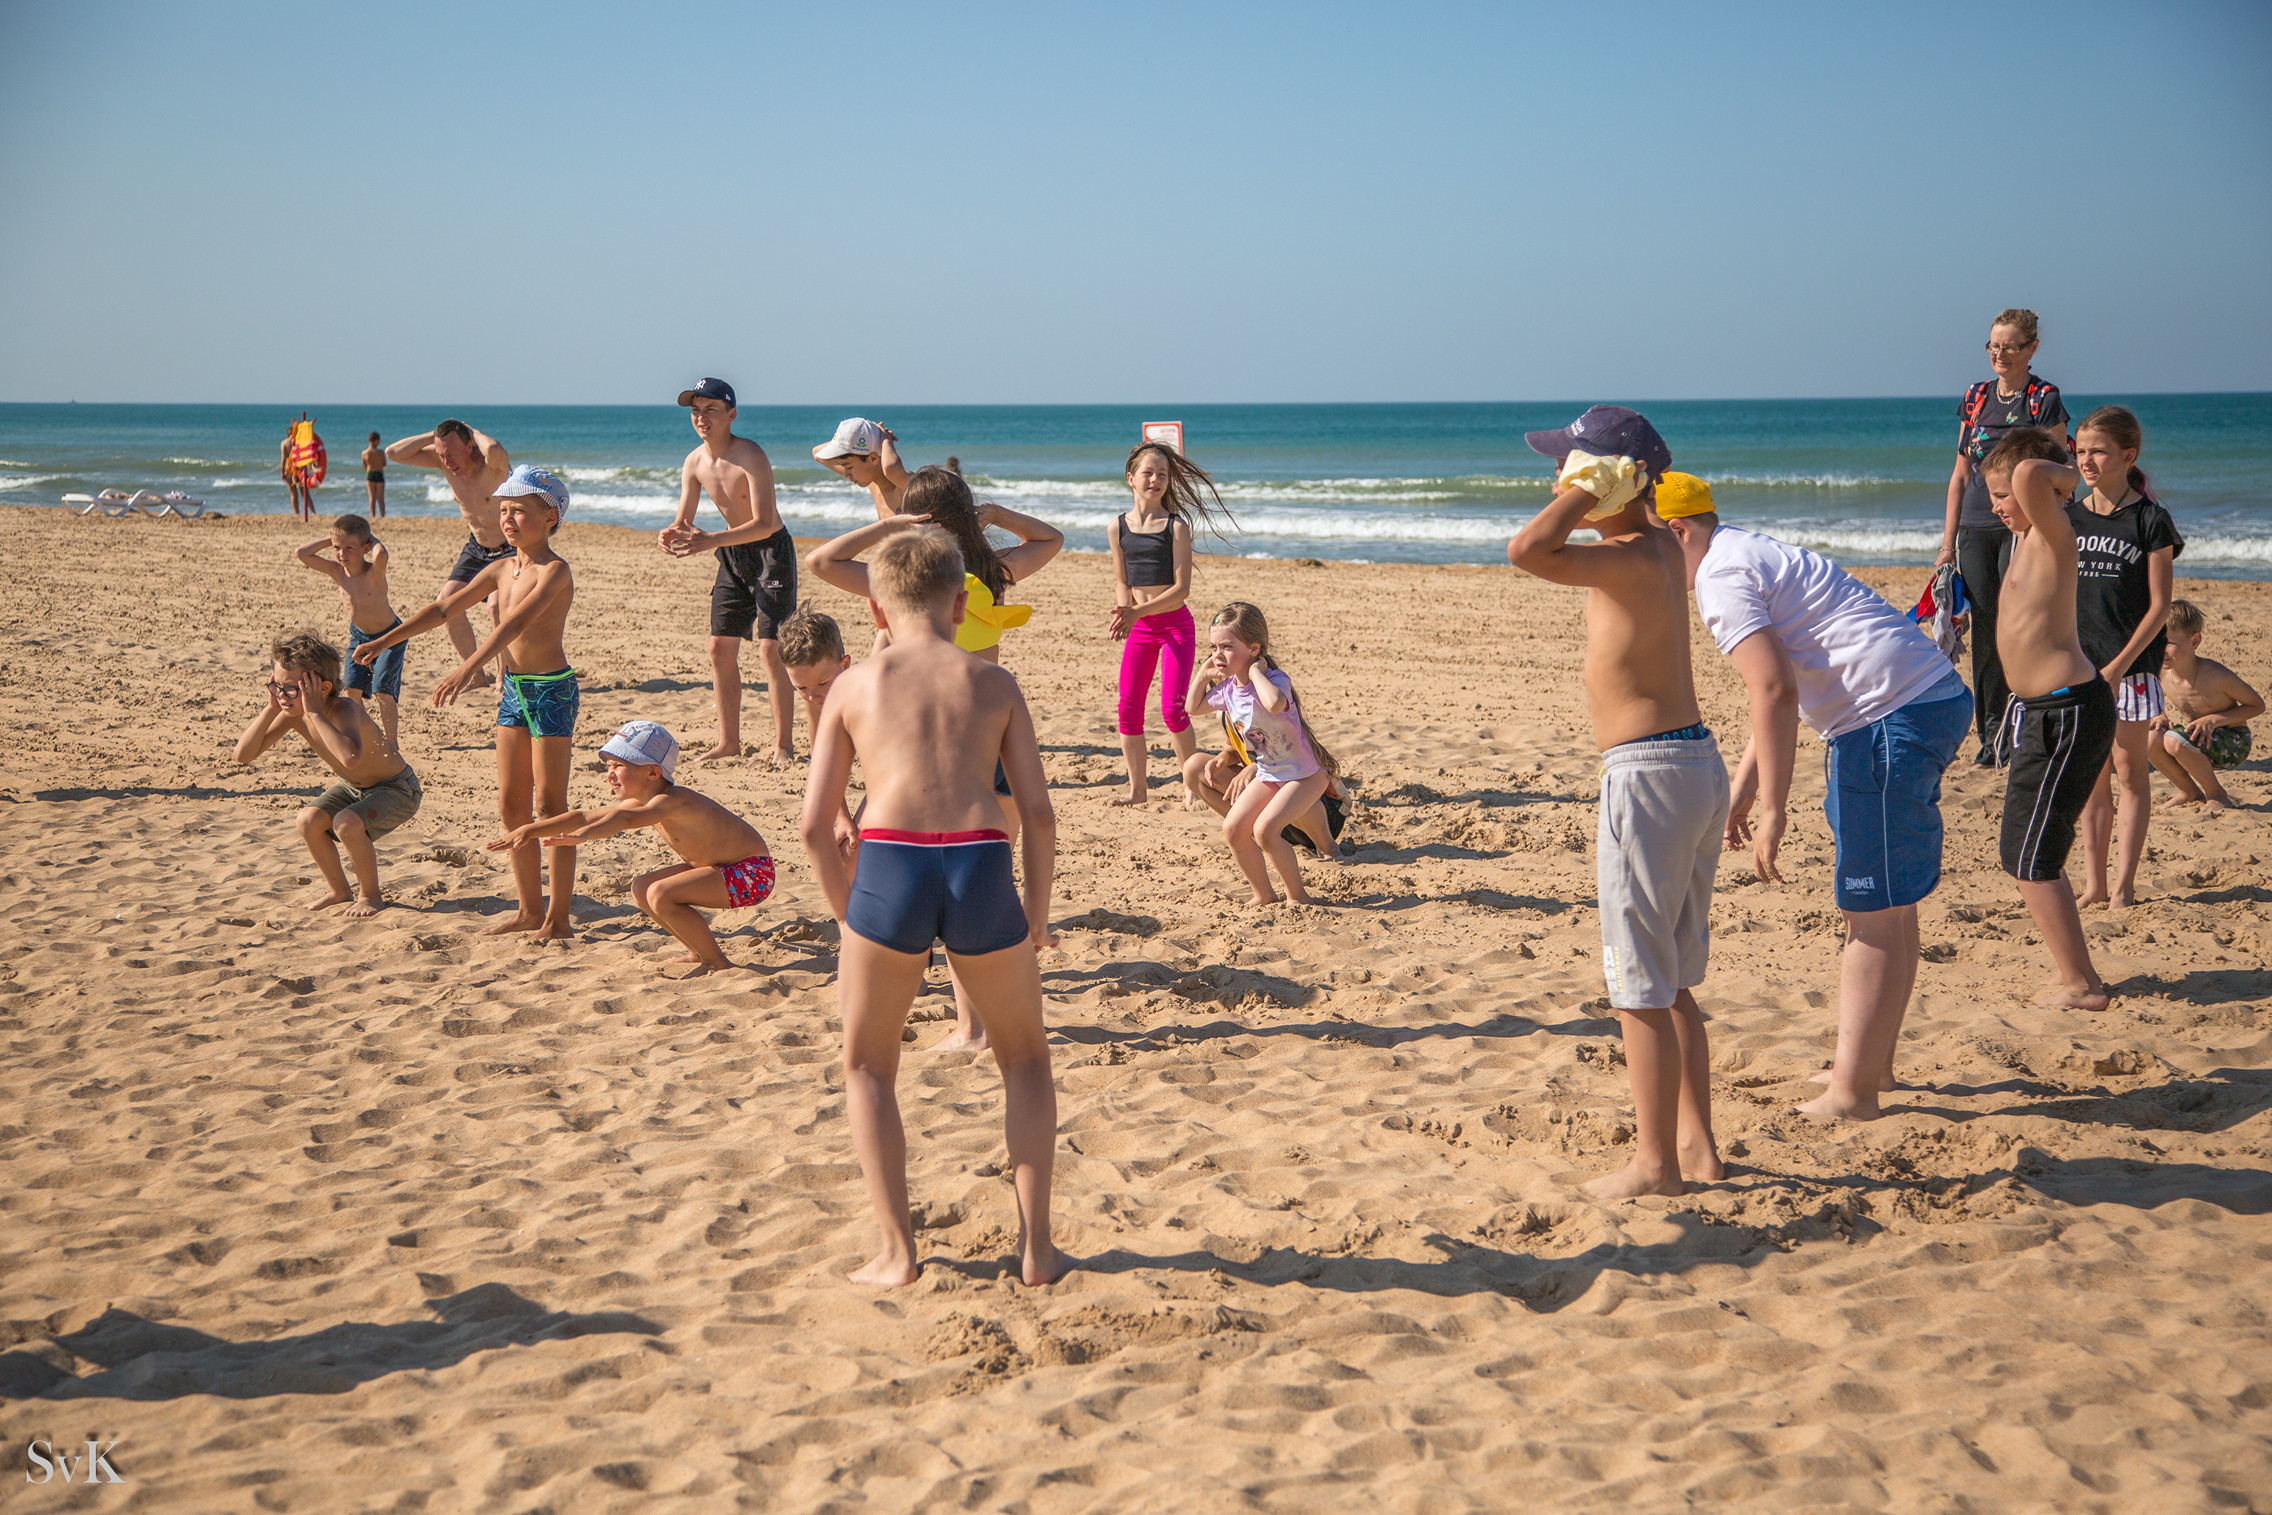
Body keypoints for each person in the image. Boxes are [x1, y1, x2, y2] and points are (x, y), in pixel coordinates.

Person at [797, 524, 1068, 1289]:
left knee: (869, 1066)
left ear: (877, 613)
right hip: (981, 863)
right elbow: (1040, 816)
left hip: (891, 866)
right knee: (1024, 1059)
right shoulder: (994, 683)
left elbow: (816, 824)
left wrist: (849, 914)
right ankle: (1038, 1250)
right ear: (960, 601)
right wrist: (1037, 912)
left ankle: (897, 1252)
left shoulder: (853, 686)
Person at [1657, 474, 1972, 1122]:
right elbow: (1781, 687)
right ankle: (1871, 1063)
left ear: (1678, 532)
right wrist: (1745, 789)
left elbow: (1773, 691)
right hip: (1919, 699)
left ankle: (1853, 1092)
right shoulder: (1743, 549)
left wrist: (1774, 808)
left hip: (1889, 718)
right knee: (1890, 903)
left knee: (1872, 912)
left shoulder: (1719, 576)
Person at [1508, 405, 1725, 1199]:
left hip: (1649, 774)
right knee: (1671, 981)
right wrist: (1603, 486)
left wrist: (1589, 487)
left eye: (1571, 466)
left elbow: (1526, 549)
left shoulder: (1633, 552)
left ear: (1613, 480)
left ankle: (1655, 1164)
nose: (1556, 477)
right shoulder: (1658, 546)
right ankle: (1698, 1147)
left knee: (1637, 981)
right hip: (1694, 761)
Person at [805, 475, 1065, 1051]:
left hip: (911, 737)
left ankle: (907, 970)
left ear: (915, 519)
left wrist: (888, 528)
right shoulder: (986, 576)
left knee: (895, 857)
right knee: (980, 877)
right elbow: (1051, 539)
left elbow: (822, 561)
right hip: (986, 732)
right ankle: (973, 1025)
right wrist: (994, 513)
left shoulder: (903, 585)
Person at [355, 466, 579, 940]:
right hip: (516, 690)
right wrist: (383, 640)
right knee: (510, 803)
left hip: (551, 690)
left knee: (550, 805)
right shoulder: (500, 567)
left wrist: (467, 668)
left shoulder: (555, 570)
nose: (508, 518)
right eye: (503, 510)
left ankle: (557, 918)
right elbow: (443, 609)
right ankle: (527, 909)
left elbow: (515, 623)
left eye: (520, 510)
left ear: (551, 516)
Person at [1981, 428, 2114, 1010]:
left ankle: (2081, 984)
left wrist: (2069, 473)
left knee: (2033, 858)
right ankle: (2073, 975)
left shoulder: (2055, 530)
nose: (1997, 505)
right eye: (1990, 496)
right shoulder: (2026, 541)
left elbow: (2035, 477)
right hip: (2041, 713)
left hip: (2068, 711)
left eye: (2001, 495)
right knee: (2022, 851)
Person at [488, 722, 773, 978]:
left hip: (752, 873)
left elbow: (623, 821)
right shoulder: (643, 801)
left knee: (660, 894)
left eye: (619, 766)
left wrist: (584, 836)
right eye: (608, 766)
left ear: (652, 772)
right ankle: (698, 951)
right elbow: (584, 816)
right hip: (721, 868)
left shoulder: (672, 801)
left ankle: (716, 962)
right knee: (642, 887)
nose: (610, 775)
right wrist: (529, 830)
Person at [1935, 309, 2071, 766]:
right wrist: (1946, 545)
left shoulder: (2043, 398)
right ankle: (1991, 737)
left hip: (2023, 529)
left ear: (2032, 348)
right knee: (1987, 633)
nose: (2000, 352)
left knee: (2022, 627)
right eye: (1993, 344)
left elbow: (2063, 474)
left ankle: (2025, 727)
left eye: (2011, 345)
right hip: (1975, 527)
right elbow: (1958, 476)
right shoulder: (1975, 396)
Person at [2067, 406, 2182, 908]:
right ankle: (2094, 885)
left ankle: (2123, 886)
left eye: (2098, 451)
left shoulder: (2150, 520)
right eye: (2081, 448)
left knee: (2130, 774)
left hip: (2129, 671)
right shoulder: (2067, 515)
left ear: (2127, 456)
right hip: (2077, 668)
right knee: (2091, 782)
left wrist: (2117, 667)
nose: (2086, 459)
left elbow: (2159, 608)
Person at [232, 629, 423, 918]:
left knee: (345, 822)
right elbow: (243, 755)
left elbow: (349, 758)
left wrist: (316, 714)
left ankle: (370, 896)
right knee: (308, 820)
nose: (283, 696)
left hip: (397, 789)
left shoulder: (343, 709)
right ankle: (339, 891)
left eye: (291, 689)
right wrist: (270, 709)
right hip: (355, 787)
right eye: (276, 687)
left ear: (321, 689)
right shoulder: (292, 714)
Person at [657, 378, 795, 765]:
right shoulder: (694, 461)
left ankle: (783, 744)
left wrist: (710, 539)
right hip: (732, 555)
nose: (701, 417)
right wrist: (670, 535)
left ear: (731, 415)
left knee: (771, 650)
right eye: (696, 410)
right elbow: (683, 520)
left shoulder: (750, 454)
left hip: (771, 553)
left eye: (711, 410)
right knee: (720, 648)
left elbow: (765, 522)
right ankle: (728, 742)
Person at [1183, 602, 1340, 905]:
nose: (1218, 655)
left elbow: (1274, 704)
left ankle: (1298, 897)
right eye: (1213, 647)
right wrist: (1203, 674)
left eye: (1227, 647)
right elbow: (1192, 708)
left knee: (1266, 830)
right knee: (1233, 829)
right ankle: (1264, 895)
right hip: (1271, 773)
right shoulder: (1228, 689)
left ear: (1255, 648)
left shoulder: (1275, 679)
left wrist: (1256, 673)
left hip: (1305, 775)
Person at [1109, 442, 1233, 805]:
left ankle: (1191, 786)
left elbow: (1181, 590)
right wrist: (1123, 611)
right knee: (1128, 709)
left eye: (1162, 474)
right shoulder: (1116, 527)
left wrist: (1135, 613)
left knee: (1173, 709)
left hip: (1175, 626)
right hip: (1141, 626)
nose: (1156, 480)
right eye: (1148, 473)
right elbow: (1122, 581)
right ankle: (1137, 790)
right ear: (1131, 478)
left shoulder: (1176, 527)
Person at [386, 419, 513, 687]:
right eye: (441, 455)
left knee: (495, 606)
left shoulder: (492, 464)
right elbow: (393, 453)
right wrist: (433, 437)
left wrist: (473, 430)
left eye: (452, 454)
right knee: (447, 602)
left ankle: (505, 674)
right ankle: (476, 676)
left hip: (509, 549)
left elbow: (494, 449)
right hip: (477, 548)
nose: (446, 462)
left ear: (470, 445)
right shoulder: (443, 462)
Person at [295, 513, 406, 752]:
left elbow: (382, 554)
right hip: (358, 636)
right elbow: (302, 554)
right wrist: (332, 539)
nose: (341, 554)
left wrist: (370, 538)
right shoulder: (336, 571)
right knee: (351, 691)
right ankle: (366, 736)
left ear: (366, 547)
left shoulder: (373, 572)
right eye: (337, 548)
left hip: (389, 636)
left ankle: (392, 743)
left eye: (349, 548)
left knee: (382, 692)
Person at [2151, 599, 2262, 811]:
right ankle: (2189, 792)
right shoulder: (2162, 671)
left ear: (2195, 641)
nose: (2161, 650)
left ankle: (2216, 794)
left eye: (2169, 643)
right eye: (2157, 642)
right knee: (2150, 739)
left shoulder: (2215, 675)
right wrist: (2160, 714)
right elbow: (2151, 690)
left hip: (2232, 741)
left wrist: (2213, 720)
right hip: (2193, 738)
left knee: (2174, 741)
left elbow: (2257, 705)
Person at [778, 604, 860, 860]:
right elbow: (823, 760)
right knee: (847, 852)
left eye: (823, 683)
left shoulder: (866, 694)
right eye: (800, 687)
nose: (813, 695)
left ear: (845, 664)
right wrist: (843, 817)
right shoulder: (816, 700)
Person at [814, 417, 910, 519]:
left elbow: (890, 468)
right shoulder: (872, 481)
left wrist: (885, 439)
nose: (846, 475)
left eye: (849, 467)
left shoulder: (905, 486)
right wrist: (872, 436)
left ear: (873, 459)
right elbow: (817, 453)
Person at [360, 431, 386, 518]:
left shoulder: (364, 453)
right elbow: (384, 463)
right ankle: (382, 516)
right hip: (379, 473)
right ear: (375, 441)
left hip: (370, 473)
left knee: (372, 497)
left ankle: (373, 516)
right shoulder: (380, 452)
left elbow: (364, 466)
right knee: (380, 498)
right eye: (378, 440)